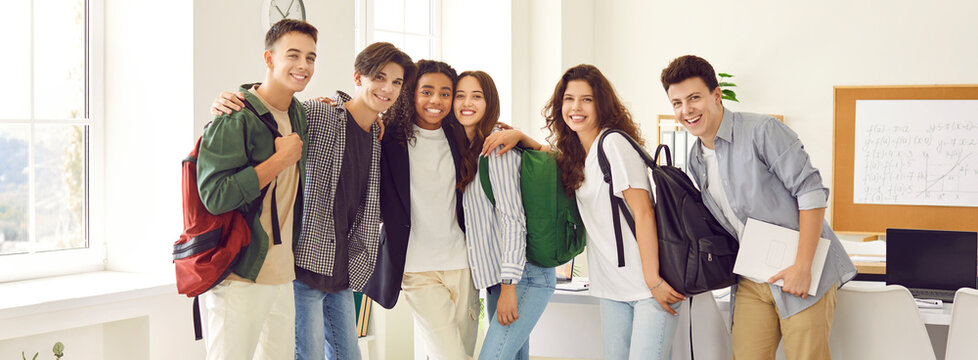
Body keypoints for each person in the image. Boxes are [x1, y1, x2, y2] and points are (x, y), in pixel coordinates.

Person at [210, 42, 416, 360]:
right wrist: (229, 102)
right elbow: (270, 117)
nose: (387, 88)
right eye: (380, 77)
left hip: (342, 268)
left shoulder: (376, 136)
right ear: (358, 77)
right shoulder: (321, 113)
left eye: (396, 82)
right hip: (304, 266)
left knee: (349, 354)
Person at [660, 54, 856, 359]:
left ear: (716, 95)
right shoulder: (695, 159)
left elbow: (811, 192)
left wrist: (802, 266)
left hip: (801, 270)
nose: (686, 110)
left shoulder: (762, 131)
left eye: (694, 98)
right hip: (752, 279)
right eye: (677, 103)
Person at [486, 64, 684, 359]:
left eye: (586, 99)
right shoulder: (581, 154)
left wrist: (653, 280)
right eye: (569, 99)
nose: (576, 107)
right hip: (613, 289)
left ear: (601, 104)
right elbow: (558, 157)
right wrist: (523, 138)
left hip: (647, 288)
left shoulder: (614, 143)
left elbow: (644, 213)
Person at [195, 19, 314, 360]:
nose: (303, 65)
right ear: (269, 58)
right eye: (293, 55)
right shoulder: (235, 116)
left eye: (310, 57)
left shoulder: (298, 113)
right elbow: (215, 197)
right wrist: (278, 161)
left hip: (281, 273)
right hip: (241, 273)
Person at [362, 60, 480, 360]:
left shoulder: (462, 136)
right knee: (451, 355)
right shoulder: (387, 137)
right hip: (416, 267)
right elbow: (348, 120)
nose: (435, 101)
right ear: (411, 93)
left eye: (445, 93)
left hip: (463, 261)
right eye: (426, 91)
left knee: (461, 349)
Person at [452, 71, 557, 359]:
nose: (466, 103)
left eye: (476, 96)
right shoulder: (469, 149)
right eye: (460, 95)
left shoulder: (496, 149)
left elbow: (513, 220)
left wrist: (510, 287)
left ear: (490, 102)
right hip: (501, 279)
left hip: (524, 277)